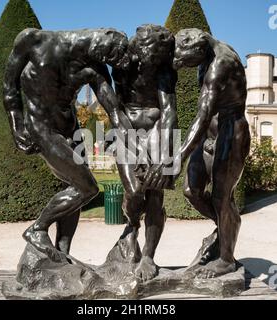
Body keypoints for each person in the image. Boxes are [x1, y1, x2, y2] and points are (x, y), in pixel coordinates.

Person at [3, 27, 132, 262]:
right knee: (87, 187)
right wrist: (16, 124)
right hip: (41, 127)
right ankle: (37, 229)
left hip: (71, 130)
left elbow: (111, 107)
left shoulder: (94, 66)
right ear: (101, 39)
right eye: (110, 57)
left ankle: (63, 254)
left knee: (76, 187)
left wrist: (124, 131)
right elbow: (9, 85)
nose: (106, 63)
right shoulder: (33, 40)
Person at [143, 28, 251, 278]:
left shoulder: (220, 65)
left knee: (222, 198)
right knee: (192, 190)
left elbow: (202, 117)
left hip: (231, 133)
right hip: (210, 135)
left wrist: (176, 157)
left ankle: (226, 259)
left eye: (184, 61)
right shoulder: (206, 56)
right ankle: (226, 228)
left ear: (198, 49)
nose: (181, 66)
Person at [111, 24, 178, 281]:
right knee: (135, 191)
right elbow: (115, 107)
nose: (157, 58)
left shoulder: (163, 69)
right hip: (126, 132)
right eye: (154, 52)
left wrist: (163, 155)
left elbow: (169, 111)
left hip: (157, 131)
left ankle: (148, 255)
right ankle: (131, 223)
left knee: (155, 196)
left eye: (161, 54)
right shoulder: (121, 64)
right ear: (141, 46)